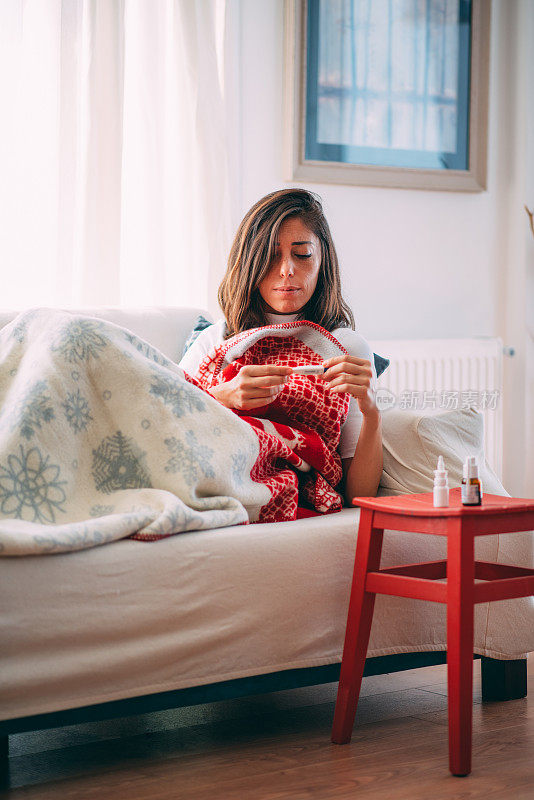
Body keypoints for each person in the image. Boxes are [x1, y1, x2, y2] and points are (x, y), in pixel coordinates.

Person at [179, 188, 382, 504]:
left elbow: (360, 495)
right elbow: (166, 420)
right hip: (208, 474)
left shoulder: (345, 347)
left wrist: (371, 411)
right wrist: (223, 397)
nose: (287, 269)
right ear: (250, 261)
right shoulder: (216, 340)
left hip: (283, 488)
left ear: (322, 260)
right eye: (272, 255)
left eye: (302, 254)